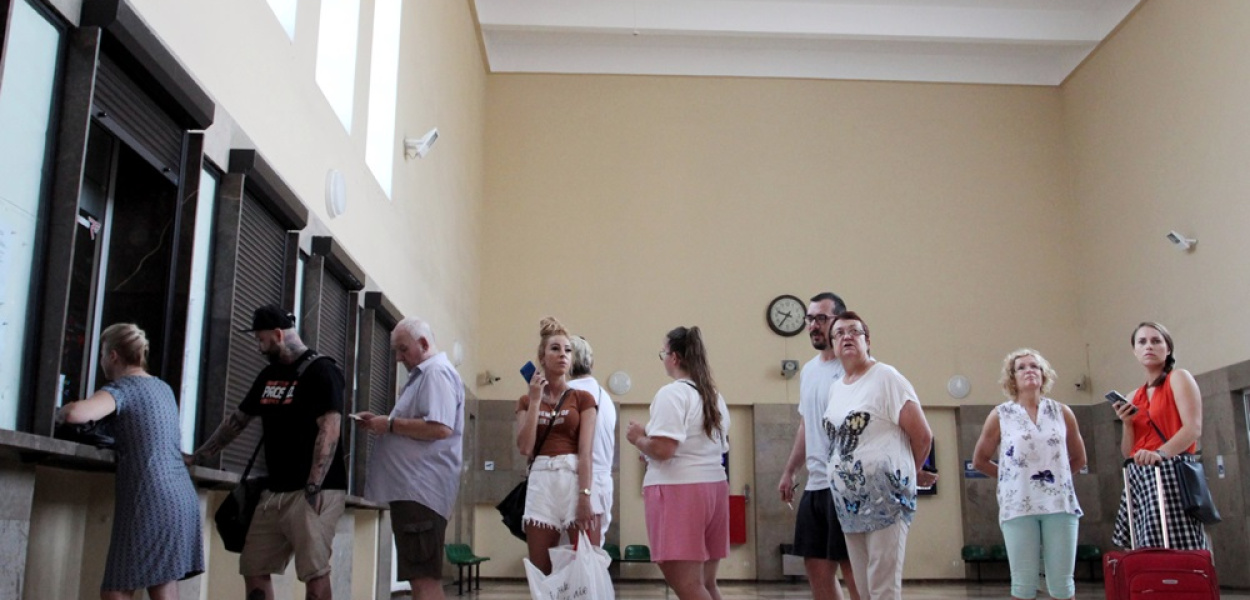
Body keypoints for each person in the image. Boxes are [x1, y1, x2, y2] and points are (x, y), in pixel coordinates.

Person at [187, 304, 348, 600]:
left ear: (278, 334)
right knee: (253, 565)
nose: (259, 346)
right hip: (274, 490)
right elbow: (237, 421)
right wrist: (199, 455)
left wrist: (314, 486)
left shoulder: (322, 371)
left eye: (261, 339)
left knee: (314, 572)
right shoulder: (268, 375)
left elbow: (330, 429)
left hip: (314, 490)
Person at [60, 323, 203, 600]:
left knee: (116, 590)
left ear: (113, 355)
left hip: (151, 498)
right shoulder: (162, 388)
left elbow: (76, 414)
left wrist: (62, 409)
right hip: (181, 495)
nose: (101, 360)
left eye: (102, 353)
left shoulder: (123, 388)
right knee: (162, 584)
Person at [822, 311, 936, 600]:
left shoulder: (886, 377)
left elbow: (922, 435)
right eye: (839, 333)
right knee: (862, 588)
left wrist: (910, 472)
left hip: (886, 498)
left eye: (854, 331)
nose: (847, 337)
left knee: (883, 586)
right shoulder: (836, 388)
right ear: (833, 345)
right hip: (849, 502)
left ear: (868, 340)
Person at [354, 317, 465, 600]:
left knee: (423, 579)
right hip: (413, 493)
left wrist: (390, 424)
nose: (399, 358)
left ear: (424, 343)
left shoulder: (435, 373)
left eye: (403, 349)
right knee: (419, 578)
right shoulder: (425, 375)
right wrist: (383, 423)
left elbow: (440, 427)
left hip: (420, 493)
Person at [626, 326, 731, 600]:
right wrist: (650, 446)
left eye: (663, 353)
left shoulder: (672, 394)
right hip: (714, 487)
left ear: (674, 357)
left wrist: (639, 439)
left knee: (688, 585)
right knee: (706, 583)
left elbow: (664, 450)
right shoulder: (714, 396)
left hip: (679, 491)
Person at [972, 349, 1085, 600]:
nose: (1029, 370)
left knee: (1063, 584)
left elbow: (1079, 458)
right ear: (1012, 378)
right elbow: (980, 460)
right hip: (1018, 505)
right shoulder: (1001, 414)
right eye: (1021, 367)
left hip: (1059, 504)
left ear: (1043, 374)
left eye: (1034, 366)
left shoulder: (1062, 412)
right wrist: (1012, 478)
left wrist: (1058, 479)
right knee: (1023, 585)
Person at [777, 292, 859, 600]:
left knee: (853, 569)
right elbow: (806, 425)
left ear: (839, 322)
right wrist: (790, 470)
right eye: (810, 319)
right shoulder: (809, 370)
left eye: (821, 318)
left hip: (847, 485)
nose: (813, 325)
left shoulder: (853, 368)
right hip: (816, 485)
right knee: (816, 567)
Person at [1111, 321, 1207, 550]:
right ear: (1135, 351)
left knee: (1179, 546)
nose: (1149, 346)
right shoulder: (1133, 396)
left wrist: (1160, 454)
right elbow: (1128, 453)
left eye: (1156, 341)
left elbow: (1193, 428)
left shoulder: (1178, 378)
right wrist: (1127, 424)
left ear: (1168, 348)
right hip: (1139, 475)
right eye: (1142, 342)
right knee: (1143, 547)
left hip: (1171, 469)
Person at [515, 317, 599, 574]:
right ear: (542, 357)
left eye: (568, 350)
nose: (563, 354)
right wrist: (535, 401)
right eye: (555, 349)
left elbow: (586, 452)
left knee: (584, 566)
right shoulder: (527, 400)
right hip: (542, 480)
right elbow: (525, 448)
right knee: (541, 568)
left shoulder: (583, 398)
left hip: (573, 477)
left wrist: (585, 496)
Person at [567, 335, 616, 544]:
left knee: (570, 554)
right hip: (603, 483)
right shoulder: (605, 397)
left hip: (577, 483)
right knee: (593, 553)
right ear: (591, 362)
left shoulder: (568, 394)